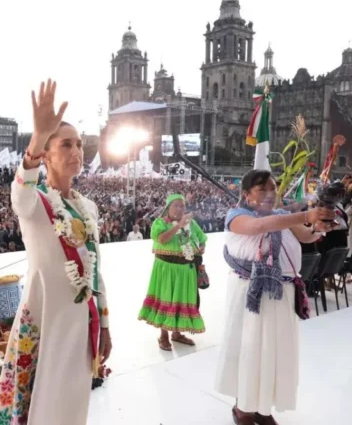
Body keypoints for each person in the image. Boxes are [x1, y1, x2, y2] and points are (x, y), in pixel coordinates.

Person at [0, 80, 112, 425]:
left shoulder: (87, 206)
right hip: (46, 318)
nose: (77, 151)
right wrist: (36, 139)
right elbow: (20, 193)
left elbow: (95, 270)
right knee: (38, 400)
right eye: (66, 144)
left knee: (73, 399)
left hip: (80, 320)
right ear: (46, 155)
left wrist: (104, 325)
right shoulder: (35, 202)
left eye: (79, 144)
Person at [215, 170, 334, 425]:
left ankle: (262, 408)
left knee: (273, 351)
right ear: (246, 194)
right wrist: (305, 215)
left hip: (280, 293)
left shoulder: (281, 216)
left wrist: (319, 227)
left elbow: (305, 235)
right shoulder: (236, 216)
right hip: (251, 295)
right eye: (262, 190)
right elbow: (259, 226)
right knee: (248, 350)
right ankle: (243, 409)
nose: (270, 194)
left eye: (273, 188)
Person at [139, 193, 207, 350]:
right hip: (166, 269)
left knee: (180, 298)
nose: (179, 209)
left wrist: (202, 246)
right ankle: (163, 336)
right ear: (168, 208)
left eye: (182, 206)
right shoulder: (160, 222)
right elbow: (161, 239)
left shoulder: (191, 223)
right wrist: (179, 225)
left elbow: (202, 238)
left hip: (186, 268)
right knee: (167, 298)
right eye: (176, 205)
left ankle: (177, 333)